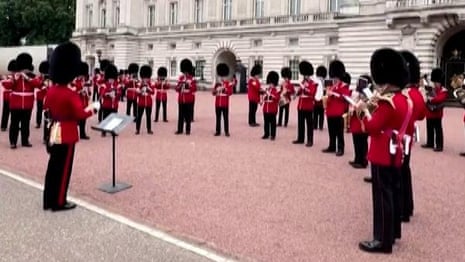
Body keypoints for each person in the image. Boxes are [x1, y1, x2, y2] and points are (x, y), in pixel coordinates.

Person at [356, 48, 413, 254]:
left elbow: (372, 127)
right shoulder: (405, 99)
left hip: (382, 152)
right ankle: (393, 232)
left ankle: (382, 240)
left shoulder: (387, 102)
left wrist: (363, 111)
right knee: (394, 192)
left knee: (382, 197)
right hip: (397, 152)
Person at [43, 42, 99, 211]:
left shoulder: (51, 90)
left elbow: (47, 108)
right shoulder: (69, 93)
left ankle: (48, 200)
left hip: (54, 130)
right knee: (64, 170)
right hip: (66, 132)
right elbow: (80, 115)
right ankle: (60, 202)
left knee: (53, 167)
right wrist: (94, 109)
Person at [398, 50, 427, 221]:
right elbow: (422, 115)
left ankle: (402, 209)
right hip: (408, 139)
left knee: (399, 175)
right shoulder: (416, 93)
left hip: (398, 139)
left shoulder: (404, 94)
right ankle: (407, 207)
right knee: (404, 172)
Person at [2, 53, 42, 149]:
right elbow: (6, 85)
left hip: (28, 104)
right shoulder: (15, 75)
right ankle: (13, 142)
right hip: (15, 104)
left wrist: (27, 78)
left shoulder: (32, 76)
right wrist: (15, 79)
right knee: (14, 124)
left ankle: (25, 141)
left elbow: (38, 84)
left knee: (25, 124)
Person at [322, 60, 350, 156]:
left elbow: (345, 97)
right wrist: (327, 94)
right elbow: (328, 98)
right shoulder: (332, 86)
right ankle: (332, 146)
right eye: (334, 77)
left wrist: (333, 94)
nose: (335, 79)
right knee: (331, 131)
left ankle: (340, 148)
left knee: (339, 133)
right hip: (330, 112)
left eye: (336, 77)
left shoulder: (344, 86)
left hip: (338, 112)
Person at [422, 68, 448, 152]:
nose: (435, 84)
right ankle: (430, 143)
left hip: (437, 113)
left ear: (440, 82)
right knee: (429, 128)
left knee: (438, 130)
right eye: (435, 82)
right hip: (429, 112)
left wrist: (430, 99)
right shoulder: (432, 89)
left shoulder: (444, 90)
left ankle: (439, 145)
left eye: (437, 82)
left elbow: (439, 99)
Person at [292, 61, 317, 147]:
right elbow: (300, 91)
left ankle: (310, 140)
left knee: (309, 124)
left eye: (306, 75)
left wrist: (305, 88)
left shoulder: (313, 83)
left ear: (309, 75)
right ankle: (300, 138)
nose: (305, 76)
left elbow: (312, 93)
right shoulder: (303, 82)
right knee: (301, 123)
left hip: (308, 106)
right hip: (301, 105)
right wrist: (296, 94)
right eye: (304, 75)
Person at [348, 75, 371, 169]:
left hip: (362, 120)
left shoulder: (368, 94)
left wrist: (362, 99)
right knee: (356, 141)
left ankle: (363, 161)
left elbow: (368, 106)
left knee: (362, 142)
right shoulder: (356, 92)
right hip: (355, 119)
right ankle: (357, 159)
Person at [175, 59, 197, 135]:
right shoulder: (180, 78)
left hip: (188, 99)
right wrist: (180, 85)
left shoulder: (192, 79)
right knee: (180, 115)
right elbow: (177, 89)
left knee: (188, 116)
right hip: (181, 99)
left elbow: (194, 89)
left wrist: (189, 85)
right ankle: (180, 129)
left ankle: (188, 130)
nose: (185, 73)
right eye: (184, 72)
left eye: (186, 72)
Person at [99, 64, 122, 136]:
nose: (111, 80)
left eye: (112, 79)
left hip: (114, 105)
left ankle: (113, 131)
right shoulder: (104, 85)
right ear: (108, 78)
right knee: (105, 118)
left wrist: (116, 93)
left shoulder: (117, 85)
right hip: (106, 105)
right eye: (110, 79)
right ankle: (104, 131)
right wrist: (108, 94)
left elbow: (120, 93)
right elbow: (102, 94)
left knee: (114, 118)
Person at [212, 63, 233, 137]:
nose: (222, 78)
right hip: (217, 103)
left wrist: (224, 89)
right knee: (218, 118)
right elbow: (213, 93)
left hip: (225, 104)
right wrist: (216, 90)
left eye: (223, 76)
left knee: (225, 118)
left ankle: (226, 131)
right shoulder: (217, 84)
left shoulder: (228, 84)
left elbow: (230, 93)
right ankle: (218, 131)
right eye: (221, 76)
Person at [73, 62, 92, 140]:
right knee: (76, 119)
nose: (82, 76)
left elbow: (89, 93)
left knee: (84, 119)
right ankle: (75, 134)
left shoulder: (85, 81)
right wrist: (80, 91)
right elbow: (73, 91)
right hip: (78, 102)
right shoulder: (75, 81)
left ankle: (82, 134)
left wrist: (88, 91)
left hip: (84, 102)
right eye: (81, 75)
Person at [135, 65, 155, 135]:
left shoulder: (151, 83)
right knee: (139, 116)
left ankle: (149, 129)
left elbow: (153, 92)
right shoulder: (139, 83)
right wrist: (141, 89)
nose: (146, 79)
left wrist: (148, 87)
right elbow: (137, 93)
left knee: (148, 116)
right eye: (144, 78)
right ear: (142, 77)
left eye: (147, 78)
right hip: (141, 102)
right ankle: (137, 129)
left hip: (149, 102)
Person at [261, 71, 280, 140]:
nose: (270, 84)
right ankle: (266, 134)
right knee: (266, 122)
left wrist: (270, 95)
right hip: (266, 108)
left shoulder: (276, 90)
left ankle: (273, 135)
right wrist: (264, 96)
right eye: (270, 83)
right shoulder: (267, 89)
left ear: (274, 83)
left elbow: (277, 99)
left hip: (272, 108)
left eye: (271, 83)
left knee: (272, 123)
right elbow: (265, 98)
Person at [1, 60, 16, 131]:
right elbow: (5, 84)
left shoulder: (15, 76)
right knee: (6, 112)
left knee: (14, 113)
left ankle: (14, 126)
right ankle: (3, 126)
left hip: (14, 97)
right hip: (7, 97)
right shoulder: (8, 77)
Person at [313, 66, 327, 130]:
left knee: (320, 114)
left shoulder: (325, 82)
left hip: (321, 100)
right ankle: (316, 125)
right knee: (316, 114)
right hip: (317, 100)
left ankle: (319, 126)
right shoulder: (316, 81)